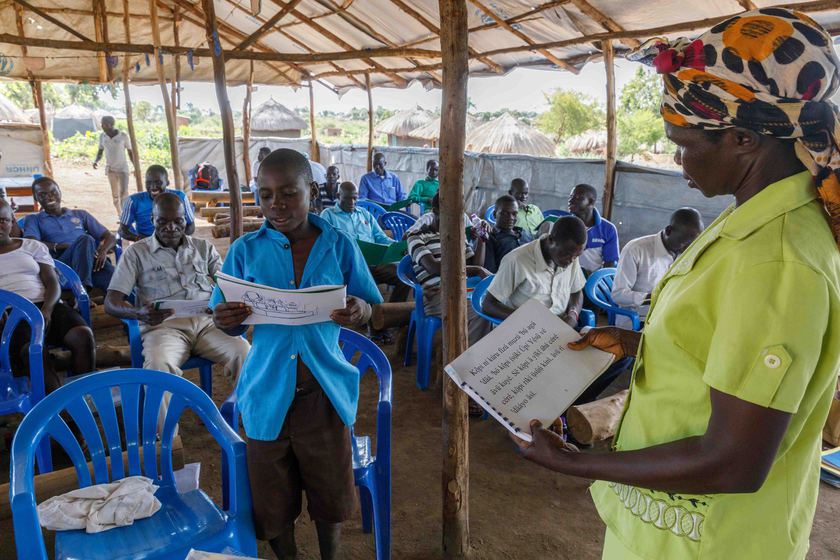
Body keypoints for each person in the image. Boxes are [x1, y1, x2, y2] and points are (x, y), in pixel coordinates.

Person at [511, 10, 840, 560]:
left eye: (682, 142)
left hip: (711, 542)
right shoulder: (752, 220)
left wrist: (576, 462)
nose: (676, 159)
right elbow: (727, 355)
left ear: (741, 139)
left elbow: (734, 460)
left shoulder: (776, 261)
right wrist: (646, 346)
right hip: (670, 528)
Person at [210, 148, 382, 560]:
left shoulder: (338, 245)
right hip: (266, 391)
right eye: (265, 195)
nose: (276, 205)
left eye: (288, 193)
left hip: (323, 392)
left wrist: (360, 310)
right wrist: (227, 318)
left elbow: (369, 304)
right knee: (271, 498)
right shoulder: (245, 251)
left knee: (330, 496)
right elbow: (225, 320)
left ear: (312, 191)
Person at [105, 192, 250, 430]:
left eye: (178, 221)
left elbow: (227, 285)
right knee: (158, 367)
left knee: (244, 352)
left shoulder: (204, 248)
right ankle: (169, 442)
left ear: (186, 220)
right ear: (152, 220)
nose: (171, 228)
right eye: (163, 221)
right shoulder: (136, 253)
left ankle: (251, 418)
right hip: (164, 328)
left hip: (208, 324)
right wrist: (139, 313)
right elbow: (112, 301)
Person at [0, 198, 95, 394]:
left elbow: (52, 281)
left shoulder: (32, 246)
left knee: (82, 336)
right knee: (33, 351)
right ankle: (57, 409)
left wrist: (47, 309)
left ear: (12, 222)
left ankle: (83, 396)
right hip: (10, 313)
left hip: (46, 304)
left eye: (3, 220)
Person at [321, 181, 410, 343]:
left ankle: (388, 319)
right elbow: (325, 243)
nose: (352, 203)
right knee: (366, 282)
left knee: (402, 276)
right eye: (347, 199)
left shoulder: (364, 214)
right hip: (348, 267)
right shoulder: (328, 215)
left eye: (355, 198)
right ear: (338, 196)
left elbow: (380, 237)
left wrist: (395, 247)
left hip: (374, 262)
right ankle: (375, 329)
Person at [407, 193, 490, 346]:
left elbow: (475, 263)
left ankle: (474, 356)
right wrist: (476, 270)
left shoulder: (457, 235)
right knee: (482, 313)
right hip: (436, 295)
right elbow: (433, 268)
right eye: (451, 212)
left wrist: (481, 239)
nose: (458, 217)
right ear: (435, 210)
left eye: (460, 212)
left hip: (465, 289)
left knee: (497, 305)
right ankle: (464, 364)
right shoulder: (416, 236)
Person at [482, 215, 585, 328]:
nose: (571, 260)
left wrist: (573, 314)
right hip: (523, 330)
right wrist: (529, 322)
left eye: (576, 256)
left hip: (558, 329)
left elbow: (576, 291)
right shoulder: (517, 260)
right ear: (550, 241)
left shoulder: (571, 255)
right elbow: (489, 305)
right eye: (566, 254)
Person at [611, 208, 703, 328]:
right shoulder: (636, 249)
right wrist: (656, 297)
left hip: (668, 316)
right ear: (669, 231)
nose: (687, 250)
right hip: (638, 319)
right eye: (683, 243)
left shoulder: (684, 252)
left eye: (692, 245)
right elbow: (618, 295)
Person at [23, 177, 116, 292]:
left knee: (116, 283)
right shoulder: (33, 219)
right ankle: (82, 291)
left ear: (60, 192)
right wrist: (63, 246)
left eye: (53, 192)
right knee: (86, 239)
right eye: (43, 194)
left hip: (90, 261)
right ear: (35, 198)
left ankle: (117, 301)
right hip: (62, 265)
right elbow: (31, 244)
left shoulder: (80, 214)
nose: (50, 197)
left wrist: (103, 251)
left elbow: (110, 236)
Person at [120, 165, 195, 241]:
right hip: (146, 242)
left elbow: (191, 226)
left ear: (167, 182)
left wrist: (177, 239)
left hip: (174, 241)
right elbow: (122, 230)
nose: (153, 187)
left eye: (158, 182)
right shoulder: (133, 201)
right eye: (148, 183)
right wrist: (140, 240)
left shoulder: (180, 197)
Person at [568, 183, 619, 273]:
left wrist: (599, 282)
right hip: (566, 277)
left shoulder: (608, 229)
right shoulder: (564, 223)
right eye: (571, 197)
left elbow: (610, 262)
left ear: (591, 202)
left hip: (591, 280)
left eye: (577, 197)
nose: (571, 201)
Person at [93, 115, 133, 215]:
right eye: (102, 124)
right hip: (111, 170)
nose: (102, 126)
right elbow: (100, 150)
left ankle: (126, 215)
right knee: (115, 195)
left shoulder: (123, 136)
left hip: (123, 169)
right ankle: (120, 215)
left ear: (111, 125)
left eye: (104, 124)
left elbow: (130, 151)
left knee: (124, 193)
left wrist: (135, 166)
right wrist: (96, 161)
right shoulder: (103, 136)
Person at [484, 194, 533, 273]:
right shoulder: (491, 238)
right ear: (494, 214)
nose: (511, 218)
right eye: (504, 213)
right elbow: (490, 272)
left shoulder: (524, 233)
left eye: (514, 214)